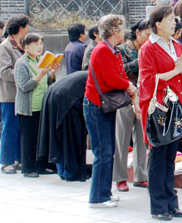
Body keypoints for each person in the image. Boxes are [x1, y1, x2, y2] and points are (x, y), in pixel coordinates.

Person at [138, 5, 182, 220]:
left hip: (177, 106)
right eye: (170, 19)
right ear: (158, 23)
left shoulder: (177, 45)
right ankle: (158, 205)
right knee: (158, 157)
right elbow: (147, 80)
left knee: (171, 157)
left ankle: (171, 203)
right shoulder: (148, 48)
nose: (174, 22)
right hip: (161, 108)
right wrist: (175, 71)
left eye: (174, 19)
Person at [84, 14, 138, 208]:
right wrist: (130, 86)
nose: (125, 32)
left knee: (108, 151)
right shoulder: (102, 51)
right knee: (103, 152)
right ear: (114, 31)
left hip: (102, 105)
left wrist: (126, 84)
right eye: (122, 28)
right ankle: (98, 197)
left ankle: (104, 192)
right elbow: (111, 79)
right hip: (96, 105)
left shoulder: (111, 49)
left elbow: (119, 73)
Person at [113, 19, 151, 192]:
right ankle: (120, 177)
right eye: (147, 35)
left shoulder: (149, 49)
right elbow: (122, 71)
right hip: (126, 97)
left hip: (144, 97)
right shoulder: (122, 50)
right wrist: (141, 58)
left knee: (142, 139)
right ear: (138, 33)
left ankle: (140, 175)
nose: (149, 38)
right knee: (122, 138)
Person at [15, 32, 59, 177]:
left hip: (42, 104)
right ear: (26, 47)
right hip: (29, 107)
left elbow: (48, 83)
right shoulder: (21, 63)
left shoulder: (42, 60)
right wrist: (40, 75)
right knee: (29, 138)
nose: (39, 47)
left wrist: (52, 74)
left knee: (42, 138)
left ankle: (42, 165)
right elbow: (24, 86)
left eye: (40, 44)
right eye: (36, 44)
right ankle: (28, 168)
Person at [38, 69, 89, 181]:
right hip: (65, 98)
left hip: (53, 95)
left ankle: (62, 170)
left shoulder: (87, 74)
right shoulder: (96, 78)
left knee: (59, 135)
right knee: (71, 137)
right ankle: (70, 172)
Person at [0, 14, 30, 174]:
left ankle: (18, 158)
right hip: (10, 94)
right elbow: (3, 72)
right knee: (10, 127)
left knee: (19, 127)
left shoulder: (20, 45)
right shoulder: (5, 47)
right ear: (20, 27)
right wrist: (23, 75)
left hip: (21, 93)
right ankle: (6, 161)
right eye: (27, 26)